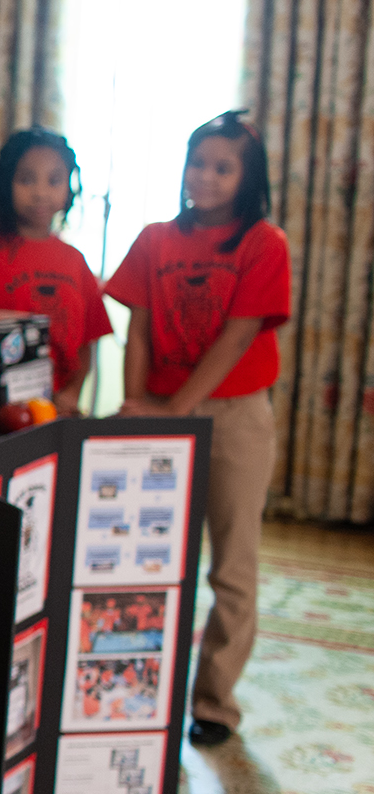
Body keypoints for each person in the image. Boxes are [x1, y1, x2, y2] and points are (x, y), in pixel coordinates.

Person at [104, 112, 292, 750]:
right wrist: (136, 404)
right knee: (144, 556)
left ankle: (214, 704)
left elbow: (239, 337)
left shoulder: (264, 243)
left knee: (231, 564)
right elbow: (140, 330)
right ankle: (130, 689)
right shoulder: (156, 237)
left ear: (247, 178)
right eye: (196, 163)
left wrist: (176, 410)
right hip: (157, 405)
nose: (204, 178)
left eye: (222, 167)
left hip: (234, 414)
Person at [0, 126, 112, 412]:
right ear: (6, 183)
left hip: (57, 412)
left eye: (54, 180)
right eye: (27, 179)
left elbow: (86, 343)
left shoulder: (75, 261)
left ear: (68, 187)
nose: (40, 192)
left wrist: (73, 394)